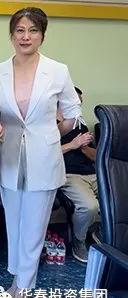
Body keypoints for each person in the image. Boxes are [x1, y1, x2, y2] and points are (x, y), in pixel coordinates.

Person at [0, 7, 82, 298]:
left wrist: (51, 134)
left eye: (33, 30)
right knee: (14, 226)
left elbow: (72, 114)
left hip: (44, 158)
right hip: (8, 157)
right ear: (11, 35)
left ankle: (23, 293)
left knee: (34, 228)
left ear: (42, 35)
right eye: (20, 30)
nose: (26, 37)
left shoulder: (57, 71)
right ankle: (17, 281)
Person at [58, 87, 99, 263]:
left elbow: (96, 157)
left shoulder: (80, 125)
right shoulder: (49, 125)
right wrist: (72, 145)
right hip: (70, 175)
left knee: (119, 200)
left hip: (93, 173)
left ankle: (99, 231)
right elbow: (43, 154)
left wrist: (84, 147)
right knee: (90, 207)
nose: (77, 109)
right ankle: (79, 240)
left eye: (79, 105)